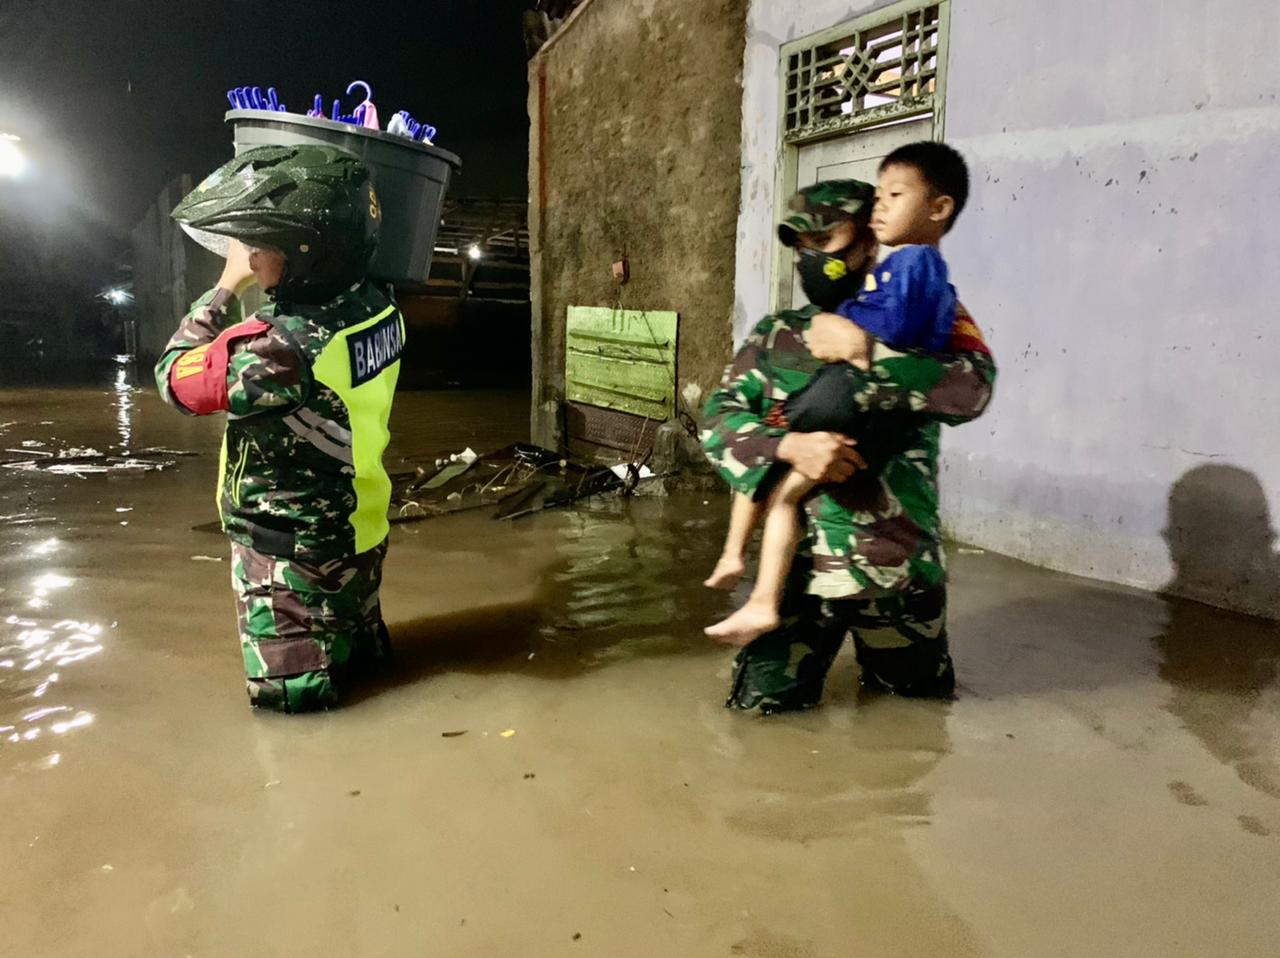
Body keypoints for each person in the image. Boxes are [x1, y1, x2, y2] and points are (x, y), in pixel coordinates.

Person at [701, 156, 996, 712]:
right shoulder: (777, 335)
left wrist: (872, 358)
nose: (810, 258)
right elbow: (719, 421)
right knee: (762, 722)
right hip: (798, 576)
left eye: (825, 239)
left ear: (868, 238)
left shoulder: (930, 311)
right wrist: (789, 446)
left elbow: (973, 389)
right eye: (801, 245)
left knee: (914, 727)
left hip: (899, 567)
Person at [155, 144, 404, 713]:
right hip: (359, 529)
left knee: (295, 710)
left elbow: (175, 380)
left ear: (307, 255)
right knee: (361, 660)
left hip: (289, 555)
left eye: (262, 247)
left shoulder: (280, 349)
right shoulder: (378, 307)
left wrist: (224, 288)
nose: (252, 257)